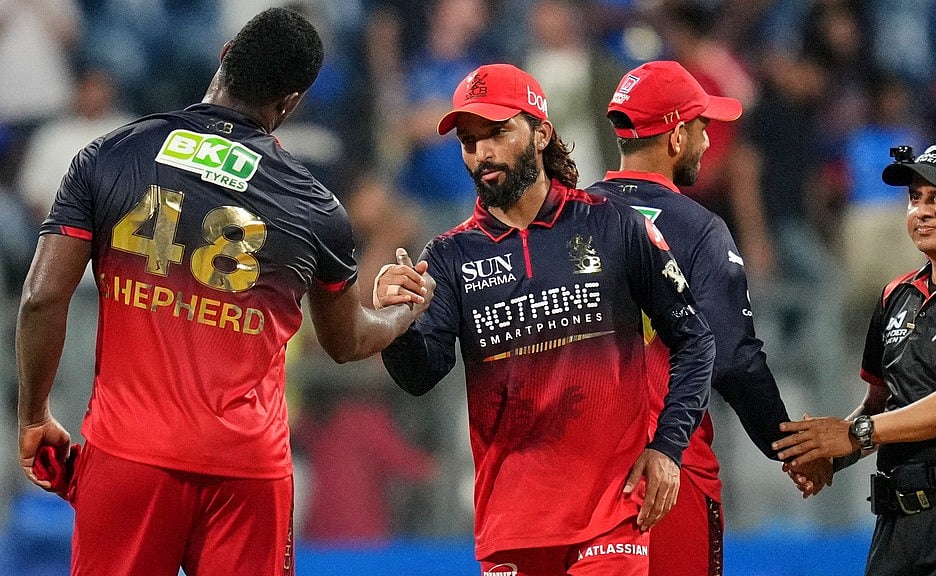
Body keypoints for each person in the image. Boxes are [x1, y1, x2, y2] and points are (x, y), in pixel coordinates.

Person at [15, 8, 431, 576]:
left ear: (225, 51)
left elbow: (41, 298)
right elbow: (348, 341)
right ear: (290, 103)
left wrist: (35, 413)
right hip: (248, 470)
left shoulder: (111, 156)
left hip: (129, 454)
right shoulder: (316, 208)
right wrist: (399, 312)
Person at [374, 63, 716, 575]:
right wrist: (395, 324)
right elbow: (421, 375)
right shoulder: (448, 256)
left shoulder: (613, 224)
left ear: (541, 134)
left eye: (497, 133)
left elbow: (694, 341)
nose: (481, 154)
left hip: (610, 517)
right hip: (510, 527)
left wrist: (667, 447)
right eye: (469, 141)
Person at [587, 60, 828, 576]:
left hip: (577, 479)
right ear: (675, 138)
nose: (706, 139)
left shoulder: (565, 219)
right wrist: (788, 445)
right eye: (702, 126)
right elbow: (733, 360)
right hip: (667, 472)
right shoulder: (698, 229)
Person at [774, 141, 936, 575]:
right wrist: (832, 454)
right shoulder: (896, 294)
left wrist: (854, 435)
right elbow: (882, 402)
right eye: (915, 198)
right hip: (897, 519)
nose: (922, 210)